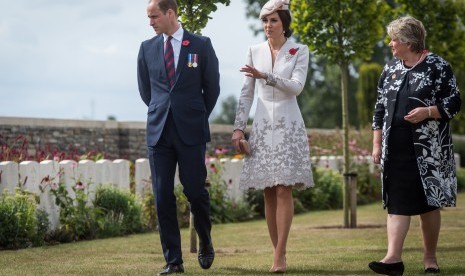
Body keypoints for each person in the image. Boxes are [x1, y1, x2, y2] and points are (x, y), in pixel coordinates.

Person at [370, 16, 461, 275]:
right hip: (394, 149)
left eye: (395, 39)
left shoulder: (437, 66)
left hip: (428, 150)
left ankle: (430, 259)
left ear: (409, 42)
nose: (390, 44)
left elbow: (454, 103)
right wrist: (377, 145)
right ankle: (393, 259)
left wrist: (428, 112)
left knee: (428, 203)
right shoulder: (390, 69)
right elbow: (379, 110)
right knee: (396, 203)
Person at [137, 0, 220, 274]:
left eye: (154, 16)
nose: (150, 22)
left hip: (191, 131)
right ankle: (174, 261)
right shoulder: (147, 48)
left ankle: (205, 241)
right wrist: (163, 111)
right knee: (162, 196)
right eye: (149, 18)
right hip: (159, 132)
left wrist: (194, 115)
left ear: (170, 13)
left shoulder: (201, 45)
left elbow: (212, 88)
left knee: (195, 191)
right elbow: (146, 91)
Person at [231, 0, 314, 273]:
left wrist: (265, 75)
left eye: (274, 20)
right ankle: (277, 252)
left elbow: (297, 87)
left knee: (283, 187)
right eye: (265, 21)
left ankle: (280, 255)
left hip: (290, 124)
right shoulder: (254, 51)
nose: (268, 25)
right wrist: (238, 127)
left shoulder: (298, 50)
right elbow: (246, 93)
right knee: (267, 189)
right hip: (263, 126)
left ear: (285, 22)